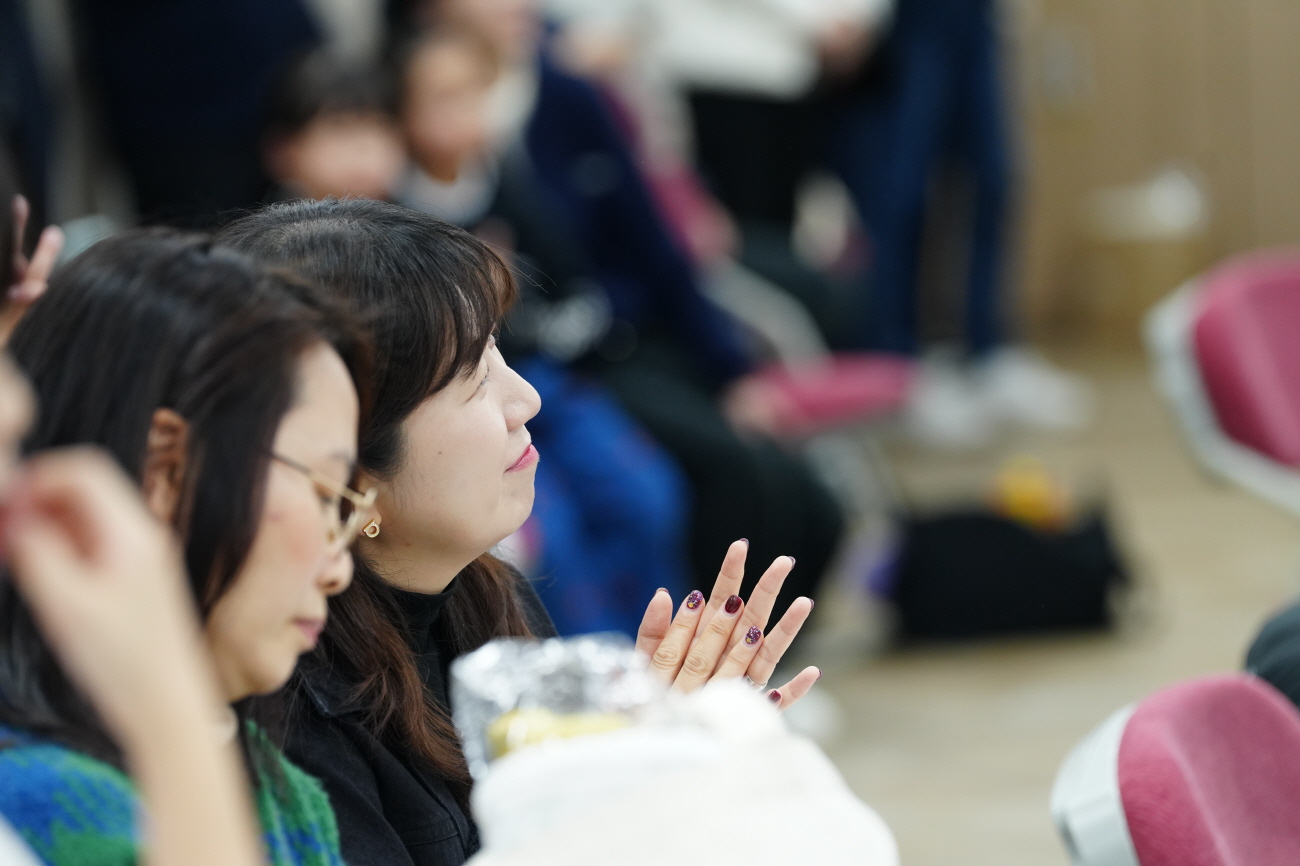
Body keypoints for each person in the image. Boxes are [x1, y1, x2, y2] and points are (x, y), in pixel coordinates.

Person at [217, 197, 820, 866]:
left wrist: (644, 752)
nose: (525, 399)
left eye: (499, 350)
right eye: (473, 379)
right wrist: (637, 796)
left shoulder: (486, 594)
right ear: (348, 469)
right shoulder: (283, 714)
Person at [0, 229, 372, 866]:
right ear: (165, 472)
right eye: (323, 493)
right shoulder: (42, 807)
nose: (338, 569)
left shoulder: (283, 791)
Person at [395, 26, 692, 636]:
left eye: (474, 95)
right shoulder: (391, 212)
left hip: (547, 379)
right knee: (548, 538)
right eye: (441, 98)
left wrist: (537, 329)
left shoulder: (503, 179)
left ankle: (660, 648)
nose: (462, 115)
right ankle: (586, 668)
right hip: (467, 401)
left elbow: (577, 287)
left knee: (647, 495)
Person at [261, 51, 407, 203]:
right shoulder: (261, 218)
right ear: (284, 149)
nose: (363, 148)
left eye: (380, 126)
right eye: (339, 127)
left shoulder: (416, 214)